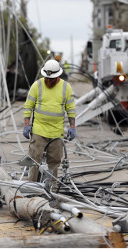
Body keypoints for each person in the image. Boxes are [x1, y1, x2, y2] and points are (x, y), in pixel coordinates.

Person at [23, 59, 76, 190]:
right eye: (46, 78)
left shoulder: (65, 87)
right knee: (35, 159)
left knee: (54, 162)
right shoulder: (37, 85)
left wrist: (72, 127)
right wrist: (26, 124)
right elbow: (28, 106)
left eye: (51, 79)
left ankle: (51, 188)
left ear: (57, 76)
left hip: (56, 132)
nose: (48, 81)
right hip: (39, 130)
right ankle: (32, 188)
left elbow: (71, 109)